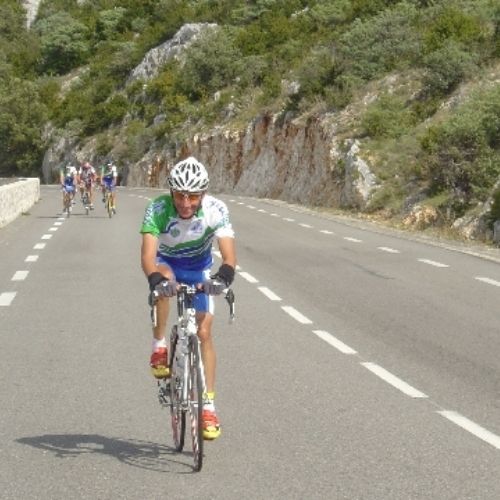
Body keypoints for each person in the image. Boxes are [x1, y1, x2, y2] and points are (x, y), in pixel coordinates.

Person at [140, 156, 236, 440]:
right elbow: (147, 256)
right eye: (180, 195)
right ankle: (159, 344)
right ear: (171, 192)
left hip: (199, 269)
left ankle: (208, 406)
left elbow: (229, 257)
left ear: (203, 194)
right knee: (165, 282)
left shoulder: (216, 209)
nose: (185, 203)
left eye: (193, 196)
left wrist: (222, 278)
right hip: (166, 263)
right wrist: (155, 280)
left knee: (204, 332)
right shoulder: (157, 208)